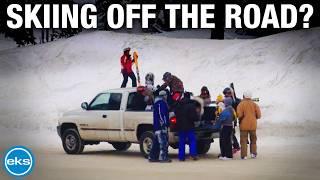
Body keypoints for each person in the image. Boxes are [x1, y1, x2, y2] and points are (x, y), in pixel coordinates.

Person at [237, 91, 261, 160]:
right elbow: (259, 115)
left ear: (244, 96)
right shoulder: (255, 105)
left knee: (243, 141)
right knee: (253, 140)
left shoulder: (241, 104)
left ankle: (244, 156)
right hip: (253, 125)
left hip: (243, 126)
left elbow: (239, 115)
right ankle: (253, 153)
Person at [175, 95, 200, 161]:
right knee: (192, 141)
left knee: (181, 142)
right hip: (190, 126)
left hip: (181, 126)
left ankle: (181, 157)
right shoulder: (191, 106)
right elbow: (194, 117)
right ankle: (193, 155)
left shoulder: (179, 105)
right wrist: (197, 118)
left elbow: (175, 113)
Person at [149, 90, 171, 163]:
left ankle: (152, 156)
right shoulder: (161, 103)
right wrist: (164, 123)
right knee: (163, 142)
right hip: (160, 126)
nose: (166, 97)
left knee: (156, 142)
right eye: (165, 95)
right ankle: (163, 157)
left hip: (157, 126)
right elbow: (161, 114)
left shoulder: (158, 103)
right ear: (163, 96)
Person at [223, 87, 241, 153]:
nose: (226, 95)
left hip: (232, 119)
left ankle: (236, 146)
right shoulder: (230, 99)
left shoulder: (233, 100)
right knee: (232, 133)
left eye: (227, 93)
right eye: (225, 93)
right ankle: (235, 146)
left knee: (231, 133)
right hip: (230, 118)